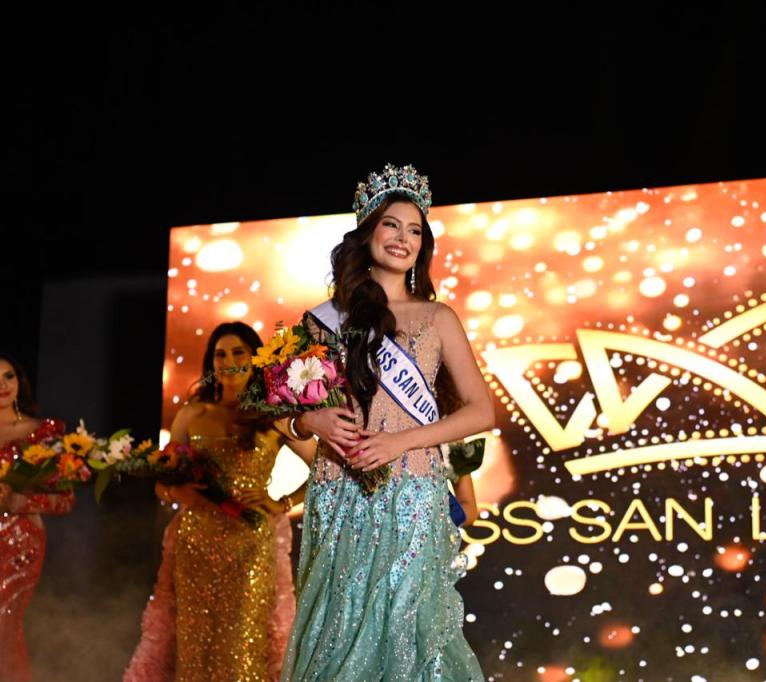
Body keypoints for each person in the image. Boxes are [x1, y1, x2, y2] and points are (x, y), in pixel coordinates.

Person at [281, 163, 493, 680]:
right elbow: (282, 412)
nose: (403, 238)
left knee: (407, 632)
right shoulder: (322, 319)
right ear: (367, 231)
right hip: (338, 492)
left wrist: (403, 441)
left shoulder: (438, 318)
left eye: (415, 230)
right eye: (391, 225)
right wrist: (313, 424)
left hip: (413, 494)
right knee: (336, 632)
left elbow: (481, 409)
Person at [124, 323, 315, 682]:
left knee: (243, 648)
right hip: (196, 542)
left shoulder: (273, 414)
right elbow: (162, 484)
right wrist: (179, 492)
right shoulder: (192, 414)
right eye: (220, 354)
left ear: (255, 358)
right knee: (195, 645)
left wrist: (282, 502)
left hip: (250, 547)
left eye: (238, 352)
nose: (228, 361)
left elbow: (325, 470)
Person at [0, 352, 74, 682]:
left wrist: (22, 500)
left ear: (19, 382)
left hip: (19, 542)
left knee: (4, 625)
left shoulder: (41, 433)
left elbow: (65, 499)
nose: (2, 385)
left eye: (9, 376)